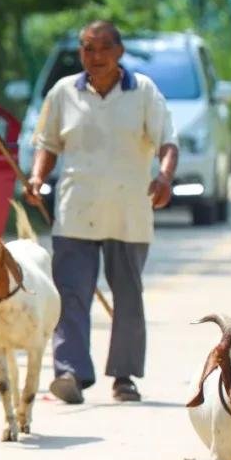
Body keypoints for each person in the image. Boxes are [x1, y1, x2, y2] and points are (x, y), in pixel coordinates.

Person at [25, 20, 178, 404]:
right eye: (87, 49)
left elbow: (168, 143)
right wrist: (36, 178)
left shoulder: (143, 92)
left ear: (119, 52)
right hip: (76, 209)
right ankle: (70, 374)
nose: (94, 57)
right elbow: (47, 143)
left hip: (129, 210)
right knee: (71, 294)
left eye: (102, 48)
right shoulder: (63, 92)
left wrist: (164, 177)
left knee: (128, 295)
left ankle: (123, 377)